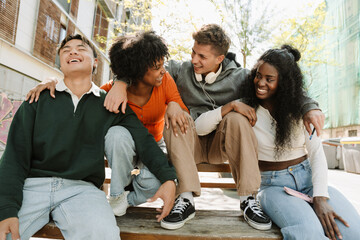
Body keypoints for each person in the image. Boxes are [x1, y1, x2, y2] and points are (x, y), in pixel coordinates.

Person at [26, 25, 325, 231]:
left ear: (220, 59)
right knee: (172, 118)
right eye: (193, 52)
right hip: (183, 142)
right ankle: (185, 198)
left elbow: (277, 85)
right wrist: (115, 81)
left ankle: (248, 198)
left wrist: (309, 105)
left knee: (235, 117)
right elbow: (136, 63)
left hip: (218, 144)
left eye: (202, 56)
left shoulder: (240, 78)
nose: (193, 59)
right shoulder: (176, 71)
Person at [0, 34, 177, 240]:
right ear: (60, 62)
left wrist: (168, 179)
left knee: (104, 235)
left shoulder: (111, 104)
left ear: (94, 63)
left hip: (82, 191)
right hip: (32, 186)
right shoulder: (37, 100)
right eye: (66, 50)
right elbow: (14, 158)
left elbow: (144, 141)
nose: (73, 51)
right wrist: (7, 209)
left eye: (81, 48)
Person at [233, 44, 359, 239]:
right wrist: (229, 107)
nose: (260, 82)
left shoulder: (302, 110)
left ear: (284, 83)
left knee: (353, 231)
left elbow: (317, 155)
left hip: (308, 179)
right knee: (310, 233)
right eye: (258, 75)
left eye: (269, 79)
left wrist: (320, 197)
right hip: (273, 186)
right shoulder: (246, 108)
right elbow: (204, 126)